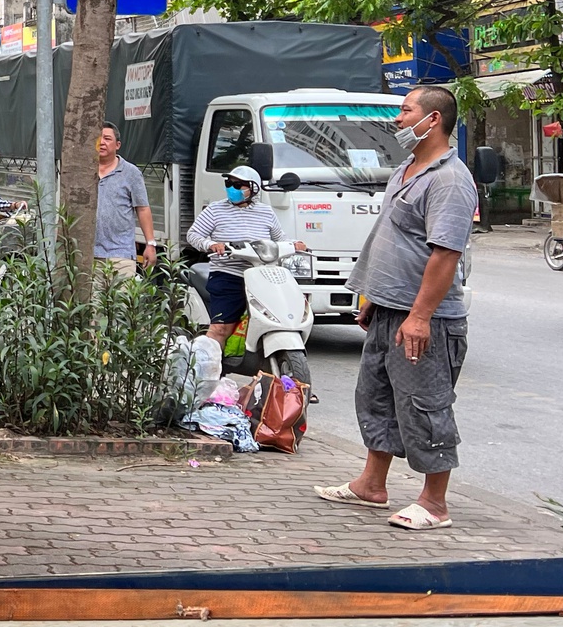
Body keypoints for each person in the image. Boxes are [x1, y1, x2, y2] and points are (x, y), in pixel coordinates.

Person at [314, 84, 476, 531]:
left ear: (433, 120)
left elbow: (445, 254)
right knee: (376, 397)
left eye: (406, 111)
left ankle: (434, 502)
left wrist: (420, 315)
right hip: (388, 307)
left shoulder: (449, 179)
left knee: (425, 404)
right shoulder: (406, 167)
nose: (399, 120)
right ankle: (371, 484)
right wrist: (370, 295)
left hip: (426, 317)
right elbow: (386, 237)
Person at [185, 165, 305, 349]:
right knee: (220, 329)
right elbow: (194, 235)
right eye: (229, 183)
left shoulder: (266, 212)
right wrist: (211, 245)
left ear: (253, 188)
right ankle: (207, 369)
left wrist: (295, 244)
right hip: (228, 275)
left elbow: (280, 238)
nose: (232, 188)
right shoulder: (215, 210)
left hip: (262, 277)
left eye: (239, 185)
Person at [95, 124, 155, 277]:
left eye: (107, 139)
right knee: (92, 301)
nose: (102, 142)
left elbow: (142, 208)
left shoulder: (130, 172)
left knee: (120, 300)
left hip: (120, 254)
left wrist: (150, 244)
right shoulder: (83, 171)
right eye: (98, 139)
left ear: (118, 145)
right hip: (90, 254)